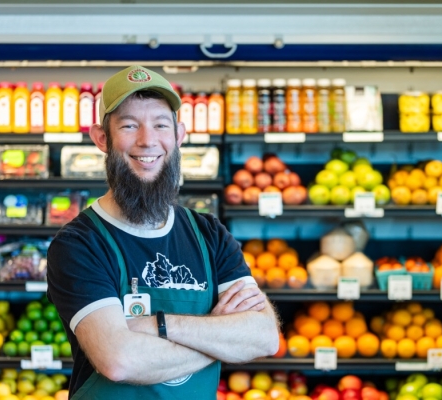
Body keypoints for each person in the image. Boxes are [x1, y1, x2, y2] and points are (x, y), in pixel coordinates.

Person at [47, 65, 279, 399]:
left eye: (160, 124)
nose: (148, 140)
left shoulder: (208, 235)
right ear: (102, 138)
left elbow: (264, 336)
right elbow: (119, 360)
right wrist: (219, 340)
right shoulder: (79, 244)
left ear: (179, 134)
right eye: (129, 125)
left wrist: (157, 325)